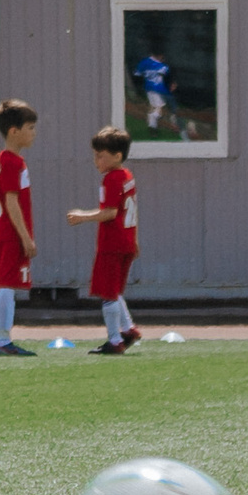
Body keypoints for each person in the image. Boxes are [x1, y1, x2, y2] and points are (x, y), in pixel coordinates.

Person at [67, 127, 141, 353]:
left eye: (100, 155)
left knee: (108, 293)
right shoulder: (127, 176)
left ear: (117, 156)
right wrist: (135, 241)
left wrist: (82, 216)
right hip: (126, 242)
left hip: (112, 244)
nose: (95, 160)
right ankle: (128, 330)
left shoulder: (112, 179)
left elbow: (110, 212)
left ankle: (114, 340)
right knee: (115, 290)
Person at [0, 100, 39, 357]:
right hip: (10, 234)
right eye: (30, 127)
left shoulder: (11, 160)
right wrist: (26, 237)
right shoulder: (11, 162)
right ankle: (1, 340)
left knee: (7, 284)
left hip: (8, 233)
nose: (34, 132)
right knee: (6, 284)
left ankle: (0, 337)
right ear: (13, 131)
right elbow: (11, 201)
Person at [133, 51, 176, 133]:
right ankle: (152, 119)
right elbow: (166, 76)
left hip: (148, 89)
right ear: (160, 56)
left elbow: (137, 74)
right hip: (158, 89)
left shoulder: (144, 62)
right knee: (159, 109)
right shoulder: (162, 66)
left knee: (154, 106)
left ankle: (152, 127)